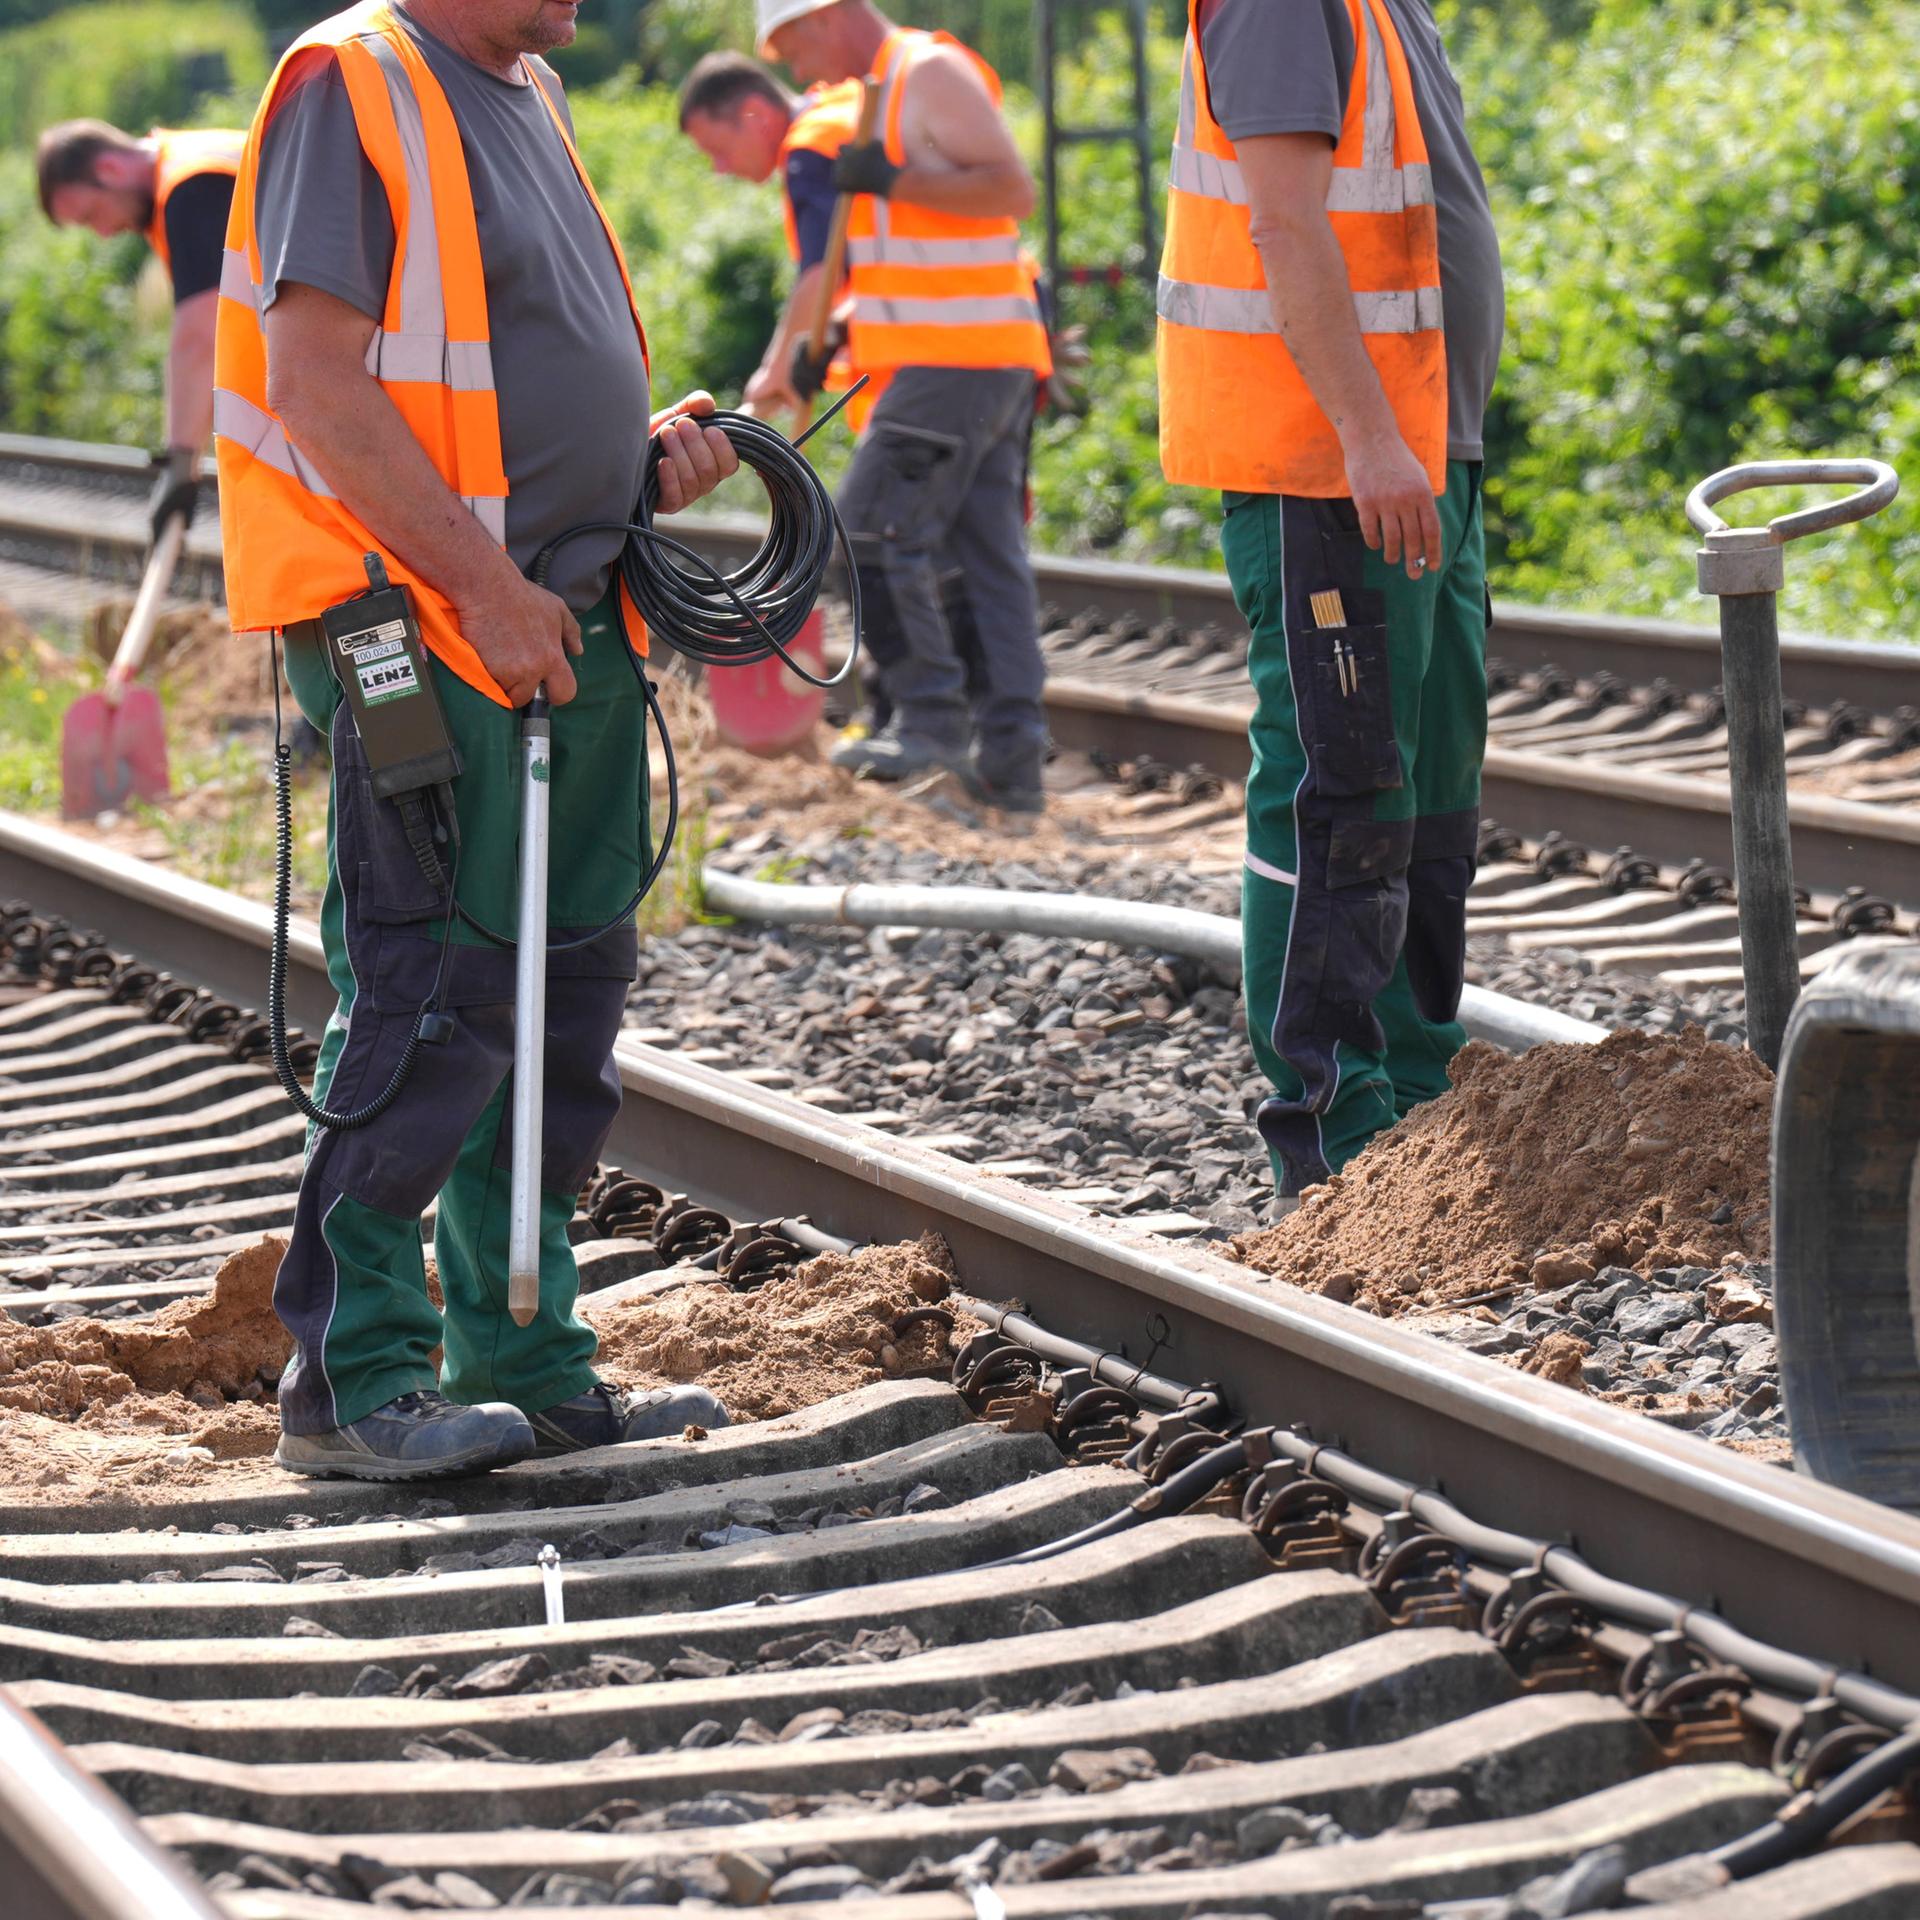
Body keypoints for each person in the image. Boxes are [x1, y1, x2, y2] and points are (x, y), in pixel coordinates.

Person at [214, 0, 738, 1479]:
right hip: (418, 630)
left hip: (550, 621)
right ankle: (353, 1377)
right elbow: (317, 383)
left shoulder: (529, 91)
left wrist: (637, 465)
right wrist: (487, 587)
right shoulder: (353, 82)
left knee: (564, 995)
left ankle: (525, 1355)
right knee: (437, 984)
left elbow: (491, 391)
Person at [1156, 0, 1504, 1206]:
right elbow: (1286, 227)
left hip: (1421, 459)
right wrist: (1368, 436)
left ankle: (1414, 1091)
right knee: (1338, 790)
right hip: (1331, 469)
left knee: (1431, 792)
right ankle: (1333, 1138)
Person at [755, 0, 1054, 813]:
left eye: (794, 44)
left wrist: (892, 179)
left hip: (957, 357)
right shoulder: (880, 90)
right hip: (972, 354)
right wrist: (831, 342)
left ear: (832, 15)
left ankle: (929, 720)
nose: (795, 70)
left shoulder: (927, 72)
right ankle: (1013, 764)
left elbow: (1011, 189)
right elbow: (910, 256)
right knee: (986, 559)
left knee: (872, 529)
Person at [37, 119, 244, 544]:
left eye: (92, 215)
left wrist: (180, 466)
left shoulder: (191, 186)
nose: (105, 232)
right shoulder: (192, 161)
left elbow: (200, 336)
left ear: (110, 169)